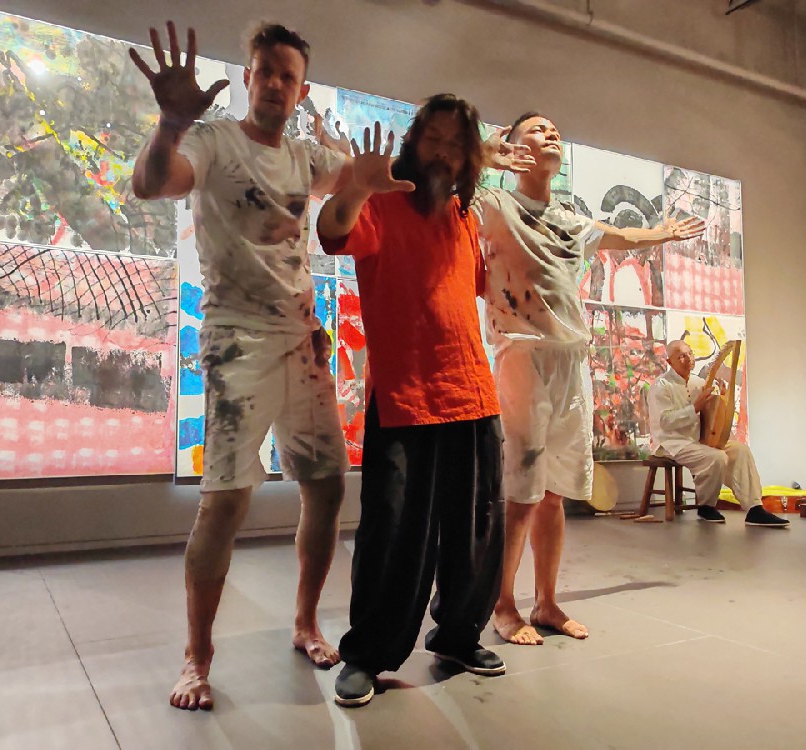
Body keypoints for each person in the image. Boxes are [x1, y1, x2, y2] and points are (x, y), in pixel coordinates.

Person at [129, 20, 353, 710]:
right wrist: (170, 125)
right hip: (236, 341)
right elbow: (152, 183)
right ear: (247, 77)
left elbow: (361, 179)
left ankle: (306, 622)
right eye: (266, 72)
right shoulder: (212, 140)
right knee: (225, 501)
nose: (276, 85)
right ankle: (196, 658)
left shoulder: (305, 157)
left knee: (327, 486)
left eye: (289, 76)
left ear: (301, 90)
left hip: (303, 341)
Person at [475, 112, 708, 645]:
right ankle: (503, 604)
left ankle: (546, 602)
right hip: (523, 356)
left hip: (571, 361)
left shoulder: (570, 220)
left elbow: (620, 235)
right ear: (513, 149)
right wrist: (482, 159)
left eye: (554, 130)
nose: (550, 134)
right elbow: (446, 193)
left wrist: (665, 232)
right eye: (537, 129)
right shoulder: (495, 205)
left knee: (556, 493)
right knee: (522, 492)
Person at [317, 95, 509, 707]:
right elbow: (331, 231)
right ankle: (367, 655)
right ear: (413, 142)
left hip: (473, 391)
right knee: (394, 533)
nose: (443, 153)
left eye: (456, 144)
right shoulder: (381, 202)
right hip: (405, 397)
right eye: (434, 138)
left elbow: (470, 290)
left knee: (477, 529)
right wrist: (355, 187)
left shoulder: (463, 215)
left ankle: (457, 636)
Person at [648, 340, 789, 527]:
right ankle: (706, 506)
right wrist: (694, 408)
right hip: (672, 442)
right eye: (681, 356)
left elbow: (711, 414)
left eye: (690, 353)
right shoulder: (661, 386)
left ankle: (754, 508)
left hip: (698, 439)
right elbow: (664, 422)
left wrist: (722, 397)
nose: (688, 358)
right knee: (716, 457)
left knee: (741, 451)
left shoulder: (700, 383)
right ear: (669, 361)